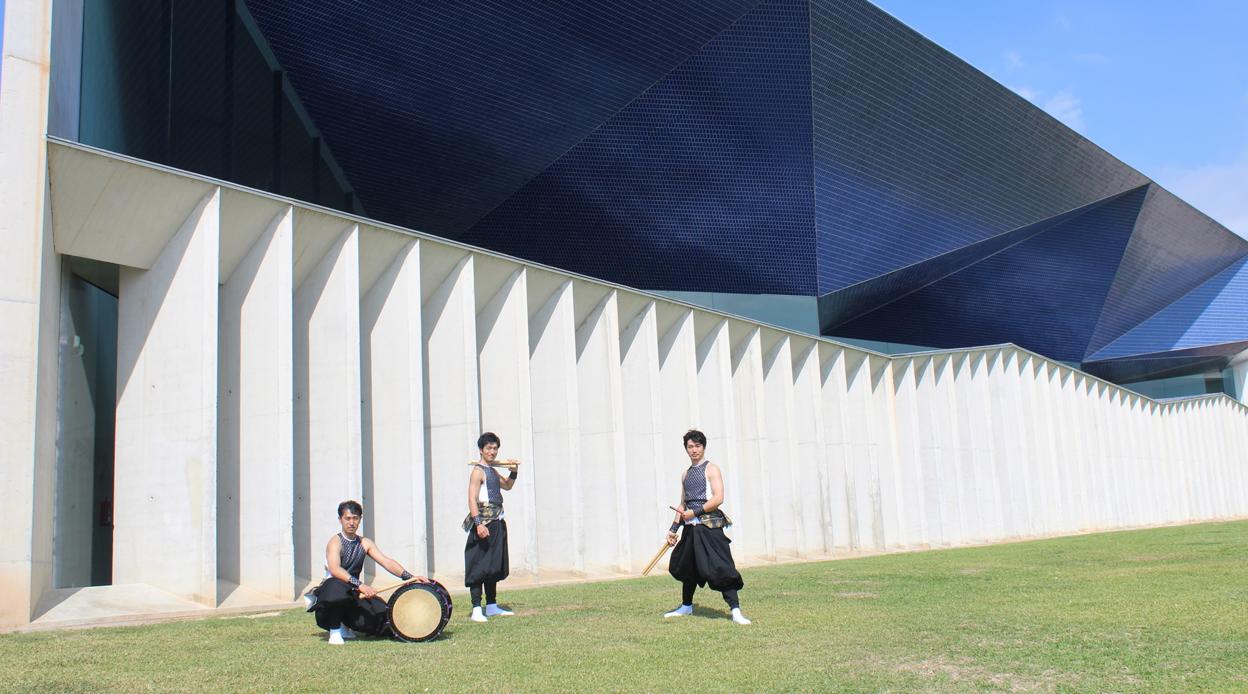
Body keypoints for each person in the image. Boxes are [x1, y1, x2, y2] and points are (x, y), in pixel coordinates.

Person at [312, 500, 428, 644]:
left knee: (384, 617)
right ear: (340, 519)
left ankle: (346, 624)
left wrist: (411, 578)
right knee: (336, 587)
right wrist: (361, 585)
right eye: (347, 518)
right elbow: (335, 569)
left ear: (360, 519)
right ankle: (335, 630)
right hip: (330, 598)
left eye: (355, 518)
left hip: (354, 595)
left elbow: (386, 561)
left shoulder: (364, 543)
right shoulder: (335, 542)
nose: (351, 522)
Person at [664, 429, 750, 625]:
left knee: (722, 566)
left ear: (704, 446)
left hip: (709, 527)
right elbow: (682, 504)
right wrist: (673, 529)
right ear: (686, 449)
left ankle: (735, 611)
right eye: (690, 446)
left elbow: (718, 498)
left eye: (697, 446)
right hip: (690, 529)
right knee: (688, 567)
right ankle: (686, 606)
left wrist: (695, 512)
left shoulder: (711, 469)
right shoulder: (685, 474)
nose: (694, 450)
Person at [464, 431, 517, 623]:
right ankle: (477, 607)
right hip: (484, 522)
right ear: (481, 450)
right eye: (489, 448)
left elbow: (507, 486)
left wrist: (514, 470)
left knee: (494, 565)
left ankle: (492, 605)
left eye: (495, 448)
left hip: (497, 522)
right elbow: (472, 499)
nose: (492, 452)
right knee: (479, 564)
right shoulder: (478, 471)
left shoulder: (493, 471)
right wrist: (478, 524)